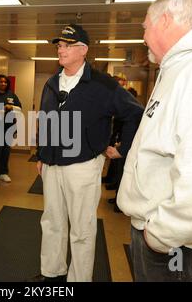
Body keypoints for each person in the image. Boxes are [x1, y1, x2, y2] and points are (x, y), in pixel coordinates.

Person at [33, 24, 143, 282]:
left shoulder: (103, 84)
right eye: (59, 45)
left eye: (66, 45)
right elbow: (46, 120)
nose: (60, 50)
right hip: (51, 164)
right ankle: (52, 273)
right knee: (51, 221)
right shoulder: (51, 83)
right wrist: (41, 154)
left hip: (82, 166)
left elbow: (134, 114)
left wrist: (122, 148)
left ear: (83, 50)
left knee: (81, 229)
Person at [117, 0, 192, 282]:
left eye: (145, 26)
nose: (143, 36)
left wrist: (159, 234)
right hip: (165, 233)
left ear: (166, 21)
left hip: (178, 246)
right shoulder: (177, 69)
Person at [0, 74, 22, 186]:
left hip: (9, 126)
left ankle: (3, 173)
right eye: (0, 82)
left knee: (6, 150)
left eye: (5, 82)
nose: (3, 84)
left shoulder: (11, 95)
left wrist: (12, 107)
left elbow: (19, 108)